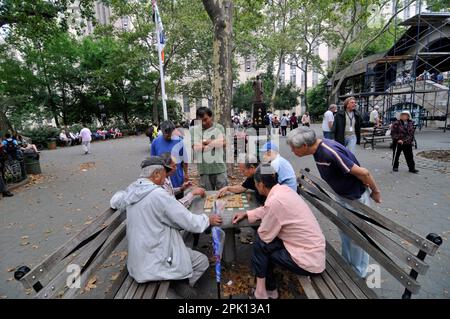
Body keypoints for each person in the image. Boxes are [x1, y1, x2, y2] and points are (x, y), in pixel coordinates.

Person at [110, 156, 222, 298]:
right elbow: (189, 222)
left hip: (138, 262)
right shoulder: (158, 195)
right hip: (156, 262)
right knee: (201, 261)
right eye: (164, 173)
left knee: (186, 251)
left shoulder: (132, 190)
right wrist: (208, 219)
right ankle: (172, 293)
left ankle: (176, 285)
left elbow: (115, 200)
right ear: (156, 174)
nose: (166, 177)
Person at [287, 126, 382, 278]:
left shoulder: (329, 151)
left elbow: (364, 173)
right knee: (345, 232)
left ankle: (359, 273)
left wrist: (376, 192)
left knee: (358, 238)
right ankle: (347, 264)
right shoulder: (316, 150)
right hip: (342, 197)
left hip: (355, 198)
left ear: (304, 146)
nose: (292, 151)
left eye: (293, 148)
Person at [232, 164, 325, 299]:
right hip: (312, 250)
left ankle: (262, 292)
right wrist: (247, 213)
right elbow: (267, 209)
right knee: (264, 245)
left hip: (308, 260)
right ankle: (268, 290)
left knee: (261, 244)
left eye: (256, 184)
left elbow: (264, 235)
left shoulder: (275, 201)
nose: (256, 186)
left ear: (261, 184)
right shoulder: (283, 190)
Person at [191, 107, 227, 191]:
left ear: (211, 117)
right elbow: (196, 147)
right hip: (204, 171)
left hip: (219, 169)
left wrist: (205, 141)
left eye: (205, 119)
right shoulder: (194, 130)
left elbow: (224, 143)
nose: (203, 123)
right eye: (200, 121)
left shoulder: (219, 127)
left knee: (223, 196)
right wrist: (215, 143)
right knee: (207, 198)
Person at [151, 120, 188, 196]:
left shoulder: (179, 141)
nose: (169, 136)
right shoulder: (155, 142)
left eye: (171, 134)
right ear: (162, 132)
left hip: (177, 177)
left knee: (179, 199)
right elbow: (153, 162)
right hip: (162, 179)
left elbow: (185, 160)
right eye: (167, 135)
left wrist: (186, 174)